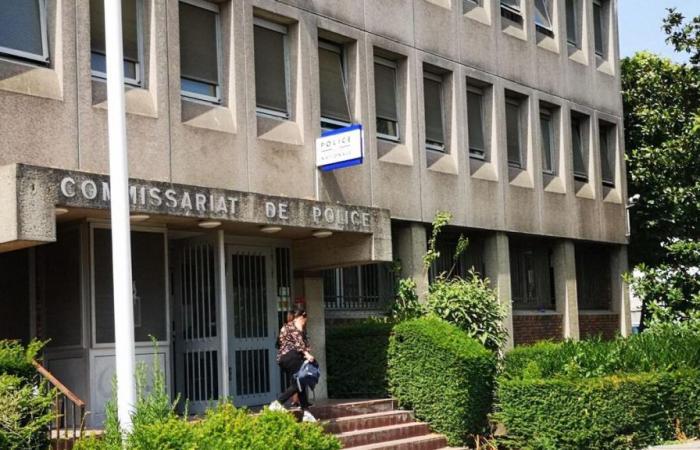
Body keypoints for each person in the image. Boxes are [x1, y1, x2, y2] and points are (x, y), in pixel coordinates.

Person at [269, 309, 317, 422]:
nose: (305, 322)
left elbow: (281, 343)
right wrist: (307, 354)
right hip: (293, 357)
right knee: (300, 383)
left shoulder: (285, 326)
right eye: (305, 320)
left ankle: (306, 412)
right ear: (302, 317)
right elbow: (298, 342)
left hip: (284, 359)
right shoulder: (296, 325)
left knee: (299, 383)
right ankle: (277, 403)